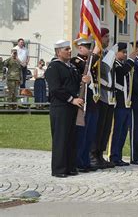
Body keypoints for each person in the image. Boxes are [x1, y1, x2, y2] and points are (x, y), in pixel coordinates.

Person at [45, 40, 89, 178]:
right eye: (66, 49)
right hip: (60, 106)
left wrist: (83, 79)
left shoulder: (71, 67)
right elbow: (56, 89)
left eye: (70, 49)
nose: (70, 51)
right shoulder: (54, 67)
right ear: (58, 52)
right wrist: (72, 99)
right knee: (60, 138)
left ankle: (70, 166)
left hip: (72, 107)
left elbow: (74, 83)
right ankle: (59, 169)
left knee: (71, 137)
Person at [71, 38, 101, 172]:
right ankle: (79, 161)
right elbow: (85, 71)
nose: (88, 49)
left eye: (90, 47)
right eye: (86, 47)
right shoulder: (76, 62)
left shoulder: (90, 62)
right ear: (80, 48)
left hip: (92, 102)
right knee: (82, 135)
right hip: (83, 102)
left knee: (90, 134)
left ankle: (86, 160)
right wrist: (94, 56)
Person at [92, 28, 116, 168]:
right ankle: (93, 154)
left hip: (109, 95)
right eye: (105, 36)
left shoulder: (107, 53)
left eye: (108, 36)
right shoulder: (97, 54)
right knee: (98, 126)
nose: (108, 39)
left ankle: (100, 154)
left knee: (106, 128)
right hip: (99, 94)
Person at [110, 42, 136, 166]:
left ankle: (118, 155)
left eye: (126, 52)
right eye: (123, 52)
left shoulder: (123, 64)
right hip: (119, 102)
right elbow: (122, 72)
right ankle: (113, 156)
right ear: (116, 52)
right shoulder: (114, 64)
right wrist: (131, 59)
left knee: (123, 131)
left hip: (126, 102)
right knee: (117, 131)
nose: (125, 54)